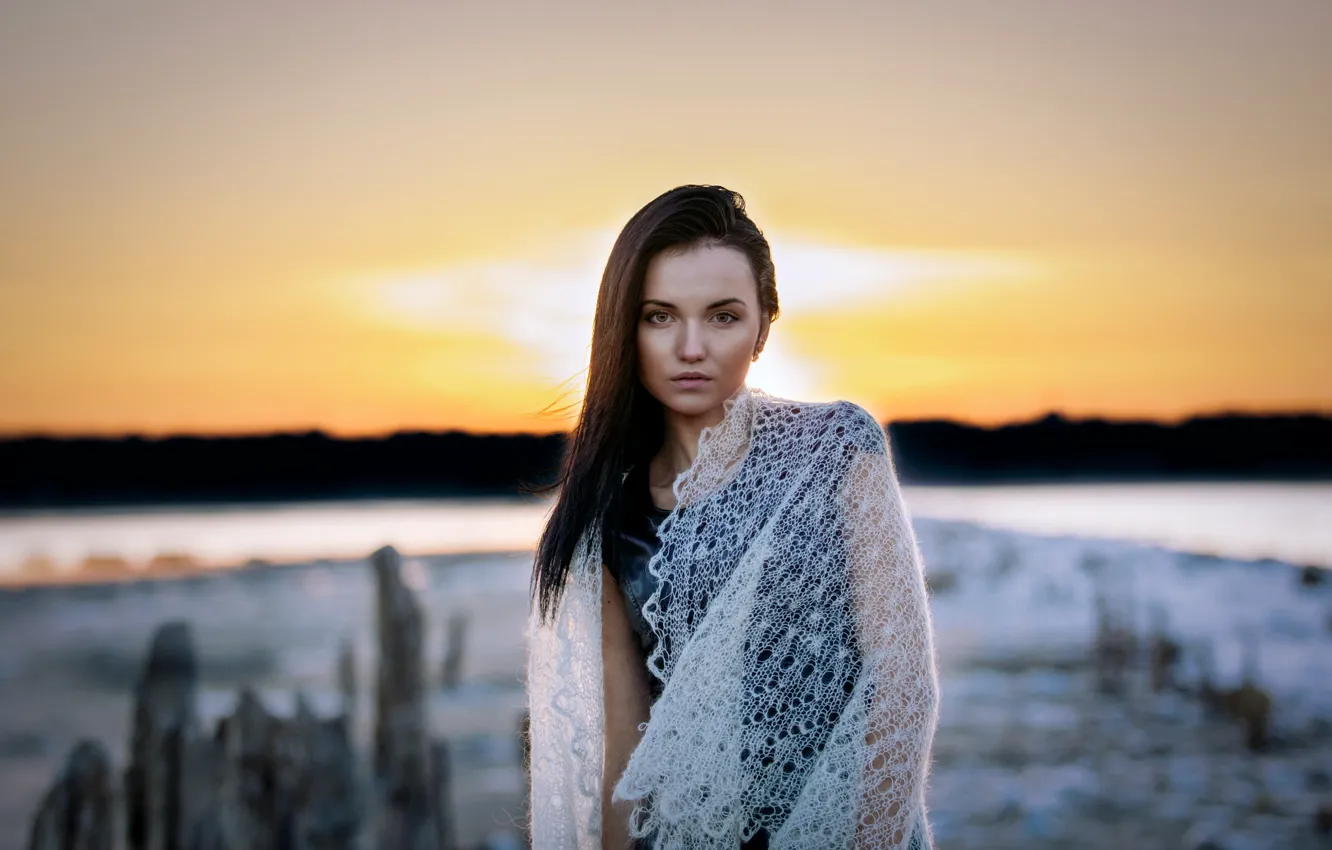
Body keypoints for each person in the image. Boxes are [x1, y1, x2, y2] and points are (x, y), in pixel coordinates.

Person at [527, 185, 940, 849]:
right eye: (660, 317)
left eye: (722, 317)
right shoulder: (605, 520)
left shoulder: (835, 451)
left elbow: (899, 689)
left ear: (763, 327)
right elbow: (624, 760)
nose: (691, 347)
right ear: (623, 330)